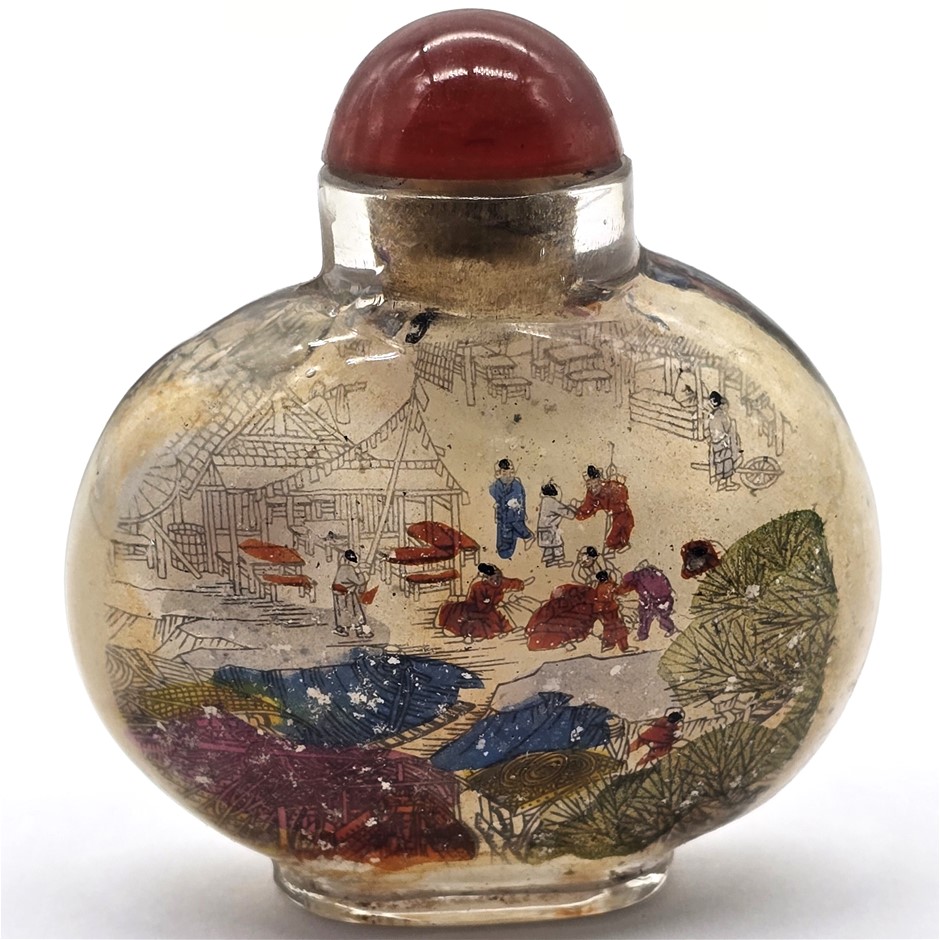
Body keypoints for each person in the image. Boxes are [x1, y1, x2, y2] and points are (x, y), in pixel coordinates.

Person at [526, 571, 630, 653]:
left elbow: (613, 623)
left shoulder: (600, 602)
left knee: (542, 638)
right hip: (560, 625)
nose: (609, 592)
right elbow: (554, 603)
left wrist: (618, 644)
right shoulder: (582, 593)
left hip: (571, 630)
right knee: (540, 638)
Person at [437, 563, 526, 643]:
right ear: (486, 579)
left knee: (500, 616)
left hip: (490, 609)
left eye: (498, 577)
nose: (496, 581)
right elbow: (481, 607)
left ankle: (506, 631)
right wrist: (494, 603)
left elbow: (513, 583)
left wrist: (520, 585)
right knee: (481, 624)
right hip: (475, 610)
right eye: (492, 579)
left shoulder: (501, 582)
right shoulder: (478, 587)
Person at [575, 465, 634, 552]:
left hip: (621, 515)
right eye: (589, 485)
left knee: (614, 539)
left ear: (599, 481)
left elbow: (622, 497)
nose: (593, 488)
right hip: (608, 517)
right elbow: (586, 509)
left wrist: (612, 509)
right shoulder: (592, 493)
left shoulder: (612, 488)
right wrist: (576, 513)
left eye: (595, 484)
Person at [620, 561, 677, 640]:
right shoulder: (651, 573)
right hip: (661, 599)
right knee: (648, 617)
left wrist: (647, 604)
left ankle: (670, 628)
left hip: (658, 601)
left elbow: (647, 593)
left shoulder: (640, 581)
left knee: (655, 616)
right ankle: (643, 635)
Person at [332, 550, 373, 638]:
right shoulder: (348, 569)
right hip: (344, 593)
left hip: (341, 593)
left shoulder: (342, 567)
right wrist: (363, 574)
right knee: (354, 611)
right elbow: (358, 582)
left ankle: (343, 629)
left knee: (343, 611)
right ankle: (358, 630)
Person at [536, 482, 577, 567]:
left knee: (548, 547)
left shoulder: (545, 500)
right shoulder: (552, 502)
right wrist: (573, 512)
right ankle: (559, 560)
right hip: (550, 529)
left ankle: (549, 560)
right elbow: (565, 511)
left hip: (543, 529)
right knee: (557, 545)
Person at [707, 391, 742, 491]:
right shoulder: (722, 415)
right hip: (723, 442)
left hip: (715, 442)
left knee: (718, 462)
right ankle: (728, 483)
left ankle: (719, 483)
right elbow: (727, 427)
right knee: (727, 461)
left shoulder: (711, 415)